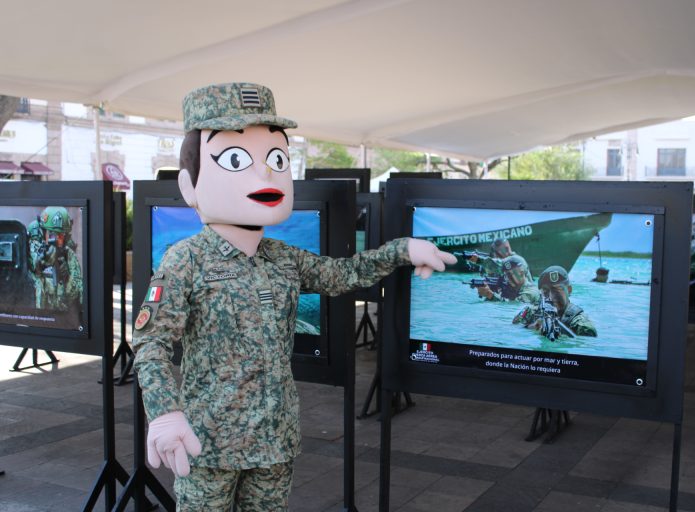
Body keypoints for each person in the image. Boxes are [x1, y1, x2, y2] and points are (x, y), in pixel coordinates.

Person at [130, 82, 456, 511]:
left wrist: (403, 250)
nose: (265, 173)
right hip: (208, 445)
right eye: (235, 159)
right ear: (191, 186)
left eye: (276, 158)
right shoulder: (186, 260)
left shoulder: (281, 258)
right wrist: (165, 413)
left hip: (274, 442)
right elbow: (151, 343)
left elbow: (341, 275)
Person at [513, 265, 597, 337]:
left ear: (569, 290)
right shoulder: (530, 312)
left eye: (557, 290)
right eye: (545, 291)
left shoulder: (581, 325)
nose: (551, 297)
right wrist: (531, 327)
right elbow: (511, 332)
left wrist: (560, 336)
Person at [28, 207, 83, 312]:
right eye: (52, 234)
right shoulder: (36, 245)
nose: (57, 239)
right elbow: (32, 266)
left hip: (60, 311)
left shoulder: (68, 253)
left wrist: (67, 277)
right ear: (44, 233)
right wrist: (41, 261)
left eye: (60, 235)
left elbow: (78, 290)